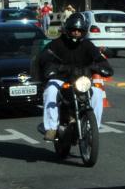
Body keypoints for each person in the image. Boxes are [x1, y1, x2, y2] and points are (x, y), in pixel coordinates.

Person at [38, 12, 113, 141]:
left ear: (84, 31)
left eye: (79, 30)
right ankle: (52, 127)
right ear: (68, 29)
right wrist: (51, 68)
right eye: (74, 30)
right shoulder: (57, 44)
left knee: (97, 93)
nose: (76, 33)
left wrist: (102, 67)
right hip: (61, 79)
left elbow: (99, 59)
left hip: (82, 81)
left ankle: (93, 126)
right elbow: (44, 57)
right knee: (50, 91)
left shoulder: (88, 45)